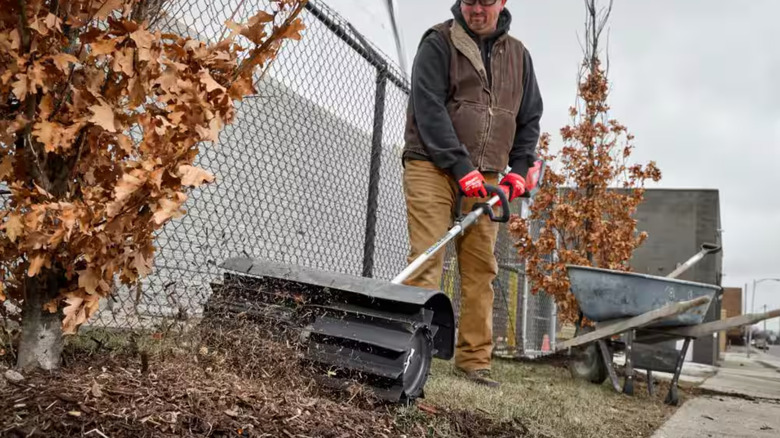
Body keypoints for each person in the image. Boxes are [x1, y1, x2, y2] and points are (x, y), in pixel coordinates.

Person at [401, 0, 543, 387]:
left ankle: (474, 362)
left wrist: (518, 169)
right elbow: (428, 108)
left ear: (503, 3)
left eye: (485, 1)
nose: (476, 9)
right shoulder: (439, 41)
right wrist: (461, 168)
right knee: (428, 257)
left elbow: (529, 119)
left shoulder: (519, 56)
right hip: (431, 164)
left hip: (489, 175)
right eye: (469, 1)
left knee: (481, 269)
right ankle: (412, 353)